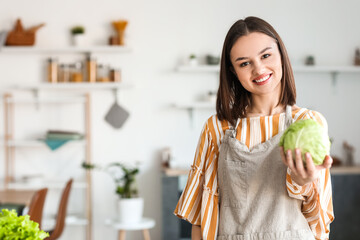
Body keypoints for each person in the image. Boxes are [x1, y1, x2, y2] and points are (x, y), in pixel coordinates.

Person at [174, 16, 334, 240]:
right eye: (244, 63)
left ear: (281, 54)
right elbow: (201, 215)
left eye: (266, 55)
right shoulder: (216, 128)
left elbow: (319, 223)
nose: (259, 69)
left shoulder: (309, 123)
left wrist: (303, 182)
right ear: (233, 71)